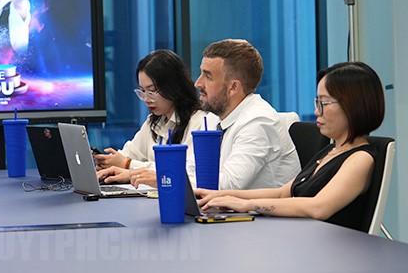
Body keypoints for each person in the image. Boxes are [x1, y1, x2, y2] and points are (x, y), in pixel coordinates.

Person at [196, 62, 385, 230]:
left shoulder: (361, 158)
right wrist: (220, 195)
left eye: (324, 103)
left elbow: (318, 207)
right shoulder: (331, 151)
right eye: (317, 102)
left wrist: (247, 205)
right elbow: (281, 193)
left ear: (353, 106)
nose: (317, 111)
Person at [95, 49, 216, 187]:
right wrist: (108, 163)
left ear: (174, 86)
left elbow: (186, 172)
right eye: (143, 91)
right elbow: (128, 154)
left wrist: (128, 164)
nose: (146, 99)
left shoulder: (200, 123)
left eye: (152, 91)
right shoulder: (154, 121)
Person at [194, 39, 300, 189]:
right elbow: (191, 167)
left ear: (233, 87)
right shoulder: (213, 118)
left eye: (208, 77)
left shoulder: (259, 122)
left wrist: (173, 180)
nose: (198, 83)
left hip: (264, 206)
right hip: (224, 204)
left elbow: (228, 185)